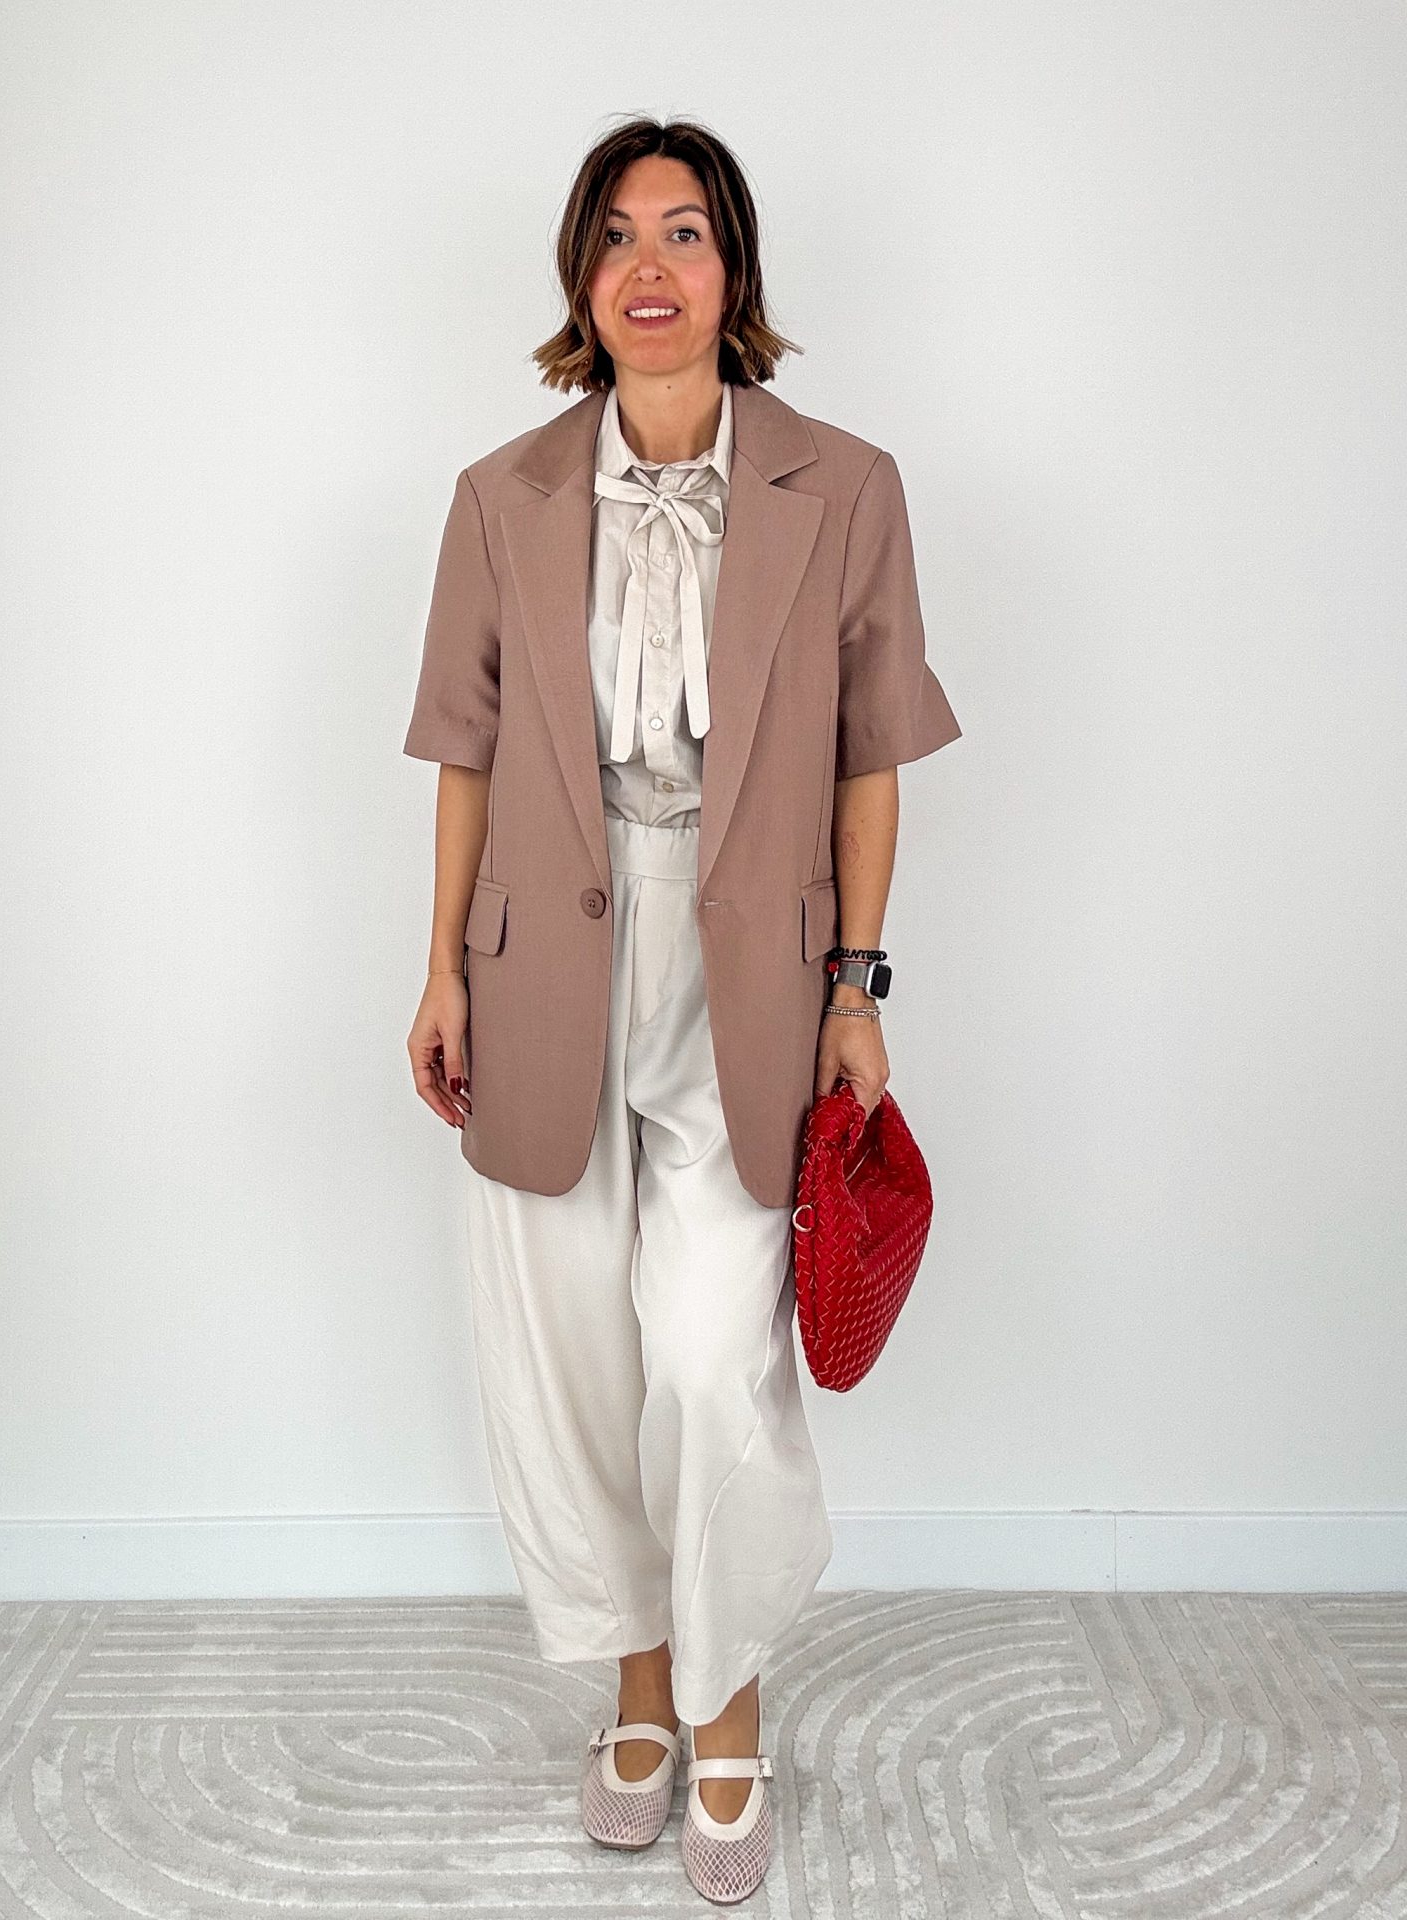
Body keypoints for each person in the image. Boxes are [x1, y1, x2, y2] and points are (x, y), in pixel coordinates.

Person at [404, 115, 962, 1904]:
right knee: (574, 1368)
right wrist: (439, 966)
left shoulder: (845, 485)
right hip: (543, 972)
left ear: (736, 272)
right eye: (619, 237)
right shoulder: (499, 495)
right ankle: (637, 1691)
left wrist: (859, 985)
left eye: (689, 233)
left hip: (754, 980)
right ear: (582, 277)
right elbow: (467, 752)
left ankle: (730, 1705)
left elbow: (874, 759)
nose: (651, 268)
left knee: (716, 1367)